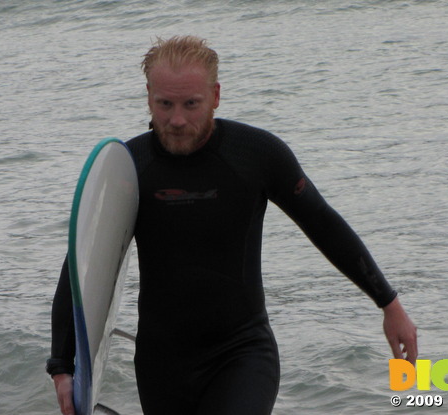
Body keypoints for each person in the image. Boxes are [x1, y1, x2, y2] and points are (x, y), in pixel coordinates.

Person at [47, 35, 417, 415]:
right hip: (162, 367)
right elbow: (82, 267)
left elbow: (322, 222)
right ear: (148, 96)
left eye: (191, 104)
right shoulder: (128, 168)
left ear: (216, 96)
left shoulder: (256, 155)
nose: (177, 119)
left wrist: (389, 304)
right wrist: (63, 366)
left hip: (242, 353)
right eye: (165, 104)